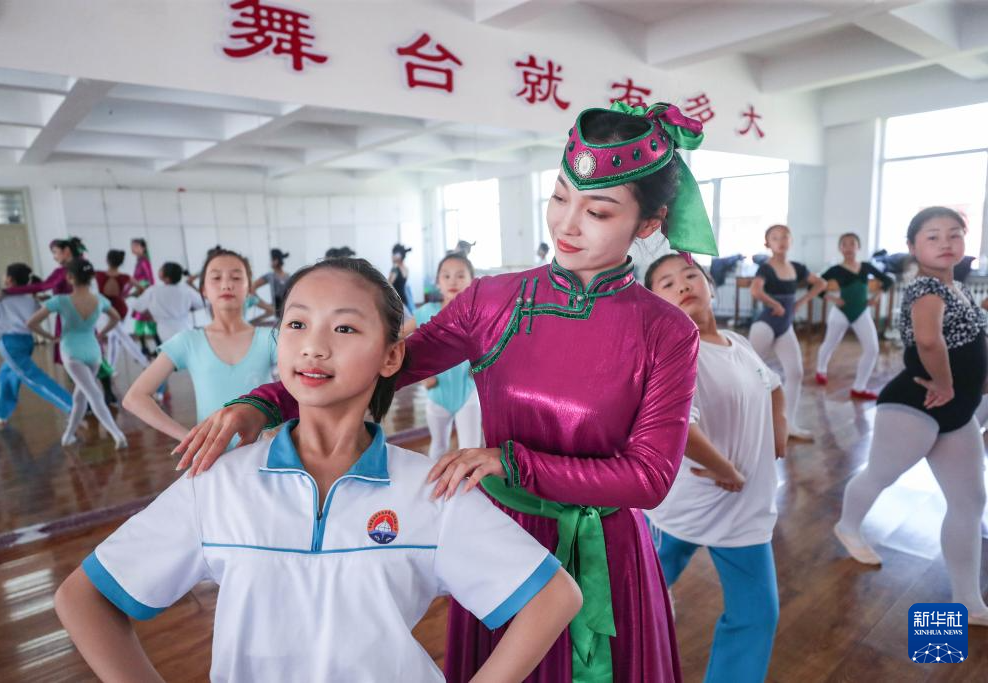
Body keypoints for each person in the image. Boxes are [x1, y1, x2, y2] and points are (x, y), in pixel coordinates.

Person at [172, 100, 721, 682]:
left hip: (605, 553)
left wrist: (509, 461)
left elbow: (649, 478)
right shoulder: (495, 300)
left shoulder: (665, 331)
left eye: (598, 211)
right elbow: (381, 365)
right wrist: (261, 403)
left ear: (648, 224)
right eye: (560, 197)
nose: (566, 224)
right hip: (501, 538)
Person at [54, 257, 581, 682]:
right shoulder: (218, 485)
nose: (313, 345)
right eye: (297, 324)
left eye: (345, 327)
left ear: (391, 357)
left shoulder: (431, 491)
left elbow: (555, 595)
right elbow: (83, 597)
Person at [835, 207, 988, 626]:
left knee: (969, 502)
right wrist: (946, 384)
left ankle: (968, 602)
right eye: (933, 236)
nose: (946, 243)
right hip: (916, 403)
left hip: (955, 410)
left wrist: (976, 384)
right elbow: (928, 340)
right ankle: (848, 526)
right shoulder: (926, 287)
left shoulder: (958, 288)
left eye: (954, 234)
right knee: (881, 475)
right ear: (912, 247)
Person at [644, 254, 788, 683]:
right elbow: (678, 427)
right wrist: (726, 469)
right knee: (630, 600)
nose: (682, 285)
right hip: (685, 508)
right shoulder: (674, 353)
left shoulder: (736, 342)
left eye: (691, 275)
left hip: (745, 510)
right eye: (667, 283)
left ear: (709, 285)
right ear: (655, 303)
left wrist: (778, 431)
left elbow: (772, 385)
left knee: (757, 614)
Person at [124, 249, 275, 448]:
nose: (226, 284)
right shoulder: (188, 341)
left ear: (249, 288)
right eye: (216, 278)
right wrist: (189, 438)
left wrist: (285, 426)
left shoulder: (271, 338)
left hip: (266, 455)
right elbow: (134, 398)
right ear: (203, 289)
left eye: (236, 277)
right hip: (214, 459)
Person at [28, 259, 127, 449]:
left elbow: (31, 323)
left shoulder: (60, 300)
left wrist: (50, 337)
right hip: (93, 350)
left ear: (70, 278)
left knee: (92, 394)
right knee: (80, 396)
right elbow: (116, 318)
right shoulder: (100, 299)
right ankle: (68, 436)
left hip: (71, 350)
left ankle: (117, 434)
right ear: (91, 278)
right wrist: (102, 333)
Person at [749, 224, 826, 441]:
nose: (781, 241)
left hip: (785, 327)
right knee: (750, 371)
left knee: (795, 373)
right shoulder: (765, 268)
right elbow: (755, 290)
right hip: (765, 325)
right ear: (767, 244)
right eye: (775, 238)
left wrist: (801, 301)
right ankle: (749, 422)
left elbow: (821, 283)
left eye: (785, 237)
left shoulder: (797, 267)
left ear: (791, 240)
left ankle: (789, 424)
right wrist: (775, 304)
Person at [0, 263, 72, 426]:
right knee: (7, 375)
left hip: (9, 344)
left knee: (34, 378)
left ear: (9, 279)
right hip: (27, 342)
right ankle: (1, 414)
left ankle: (72, 406)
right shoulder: (30, 299)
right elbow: (37, 319)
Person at [403, 253, 482, 460]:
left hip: (468, 393)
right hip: (437, 393)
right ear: (438, 282)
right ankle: (433, 482)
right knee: (438, 447)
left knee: (471, 451)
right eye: (446, 276)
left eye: (460, 276)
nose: (452, 281)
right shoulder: (426, 312)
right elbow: (395, 341)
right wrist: (421, 376)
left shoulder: (479, 314)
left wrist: (482, 367)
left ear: (472, 281)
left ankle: (469, 483)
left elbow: (494, 345)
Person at [815, 233, 894, 400]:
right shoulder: (835, 269)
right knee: (830, 343)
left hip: (861, 313)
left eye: (852, 244)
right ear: (840, 248)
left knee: (872, 349)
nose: (848, 247)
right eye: (844, 244)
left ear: (858, 247)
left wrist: (876, 296)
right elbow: (814, 285)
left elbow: (888, 280)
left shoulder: (866, 266)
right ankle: (820, 370)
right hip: (840, 313)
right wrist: (831, 298)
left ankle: (859, 387)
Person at [2, 237, 88, 364]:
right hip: (84, 314)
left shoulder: (63, 271)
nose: (54, 257)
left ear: (66, 251)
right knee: (83, 354)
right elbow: (74, 293)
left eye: (55, 252)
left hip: (69, 317)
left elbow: (42, 286)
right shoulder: (83, 266)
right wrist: (51, 297)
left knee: (71, 356)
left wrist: (8, 291)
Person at [95, 249, 149, 405]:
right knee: (114, 337)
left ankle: (144, 362)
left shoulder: (98, 274)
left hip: (107, 308)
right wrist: (128, 295)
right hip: (120, 306)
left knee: (122, 337)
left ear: (107, 260)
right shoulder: (125, 277)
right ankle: (112, 367)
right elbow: (141, 289)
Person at [129, 262, 204, 344]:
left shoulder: (153, 290)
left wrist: (151, 315)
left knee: (171, 350)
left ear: (167, 278)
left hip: (164, 330)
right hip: (185, 327)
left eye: (161, 269)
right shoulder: (186, 290)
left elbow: (137, 306)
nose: (159, 270)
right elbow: (202, 303)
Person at [130, 238, 161, 357]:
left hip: (145, 295)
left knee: (142, 322)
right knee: (145, 322)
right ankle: (149, 348)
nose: (133, 248)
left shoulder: (144, 261)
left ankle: (147, 349)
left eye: (136, 246)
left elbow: (150, 279)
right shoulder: (139, 261)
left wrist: (150, 295)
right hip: (142, 294)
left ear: (143, 248)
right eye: (132, 246)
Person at [253, 248, 291, 313]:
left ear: (276, 261)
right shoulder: (270, 276)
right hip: (276, 312)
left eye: (271, 260)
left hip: (287, 311)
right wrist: (266, 306)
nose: (269, 262)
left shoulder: (289, 277)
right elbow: (252, 287)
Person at [388, 243, 413, 313]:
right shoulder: (406, 269)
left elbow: (387, 285)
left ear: (398, 256)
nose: (392, 256)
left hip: (396, 302)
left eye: (393, 254)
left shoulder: (395, 269)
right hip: (404, 300)